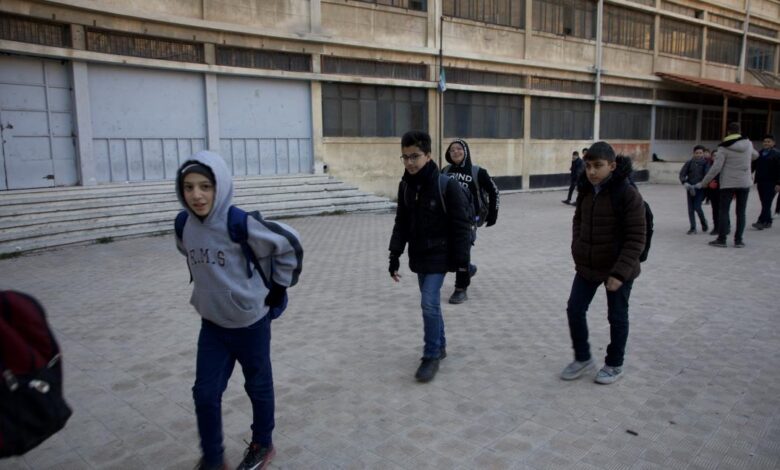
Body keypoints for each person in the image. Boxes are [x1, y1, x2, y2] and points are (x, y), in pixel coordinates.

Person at [175, 151, 303, 470]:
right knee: (205, 394)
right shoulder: (183, 225)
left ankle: (263, 444)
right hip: (212, 326)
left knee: (258, 386)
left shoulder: (240, 223)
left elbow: (289, 243)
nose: (196, 195)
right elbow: (189, 252)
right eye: (189, 187)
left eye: (205, 186)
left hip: (251, 324)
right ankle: (213, 459)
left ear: (220, 186)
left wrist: (279, 287)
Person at [388, 130, 472, 383]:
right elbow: (401, 223)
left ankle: (431, 354)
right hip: (418, 256)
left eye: (415, 156)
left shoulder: (445, 185)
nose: (409, 162)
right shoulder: (405, 186)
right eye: (405, 157)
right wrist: (394, 254)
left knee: (428, 302)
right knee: (431, 303)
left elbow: (461, 227)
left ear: (428, 155)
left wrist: (463, 266)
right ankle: (441, 345)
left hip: (440, 254)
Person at [560, 142, 646, 385]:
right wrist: (577, 247)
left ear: (612, 165)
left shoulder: (627, 194)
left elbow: (636, 237)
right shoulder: (586, 190)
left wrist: (619, 274)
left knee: (616, 316)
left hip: (618, 268)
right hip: (588, 264)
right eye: (588, 166)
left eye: (598, 166)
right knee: (575, 308)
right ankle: (583, 358)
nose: (592, 172)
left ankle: (614, 364)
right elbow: (578, 221)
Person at [442, 138, 500, 304]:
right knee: (449, 253)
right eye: (452, 149)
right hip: (447, 220)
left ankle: (460, 289)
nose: (455, 152)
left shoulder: (477, 172)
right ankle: (469, 268)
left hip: (468, 220)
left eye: (459, 148)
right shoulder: (445, 171)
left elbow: (494, 191)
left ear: (466, 151)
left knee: (462, 253)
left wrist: (493, 214)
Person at [697, 122, 759, 248]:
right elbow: (755, 155)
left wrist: (704, 182)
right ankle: (738, 240)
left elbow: (716, 168)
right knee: (741, 212)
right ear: (740, 131)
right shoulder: (748, 143)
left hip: (728, 183)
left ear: (728, 132)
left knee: (724, 211)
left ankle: (722, 239)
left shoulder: (724, 147)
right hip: (744, 182)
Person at [751, 134, 780, 230]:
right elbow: (753, 166)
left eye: (768, 141)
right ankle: (768, 221)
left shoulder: (777, 154)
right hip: (761, 181)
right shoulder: (760, 153)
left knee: (767, 201)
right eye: (765, 141)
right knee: (764, 202)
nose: (766, 143)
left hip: (772, 182)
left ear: (773, 143)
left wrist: (778, 183)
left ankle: (761, 221)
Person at [679, 145, 709, 234]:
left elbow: (707, 175)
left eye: (700, 153)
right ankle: (693, 227)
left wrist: (702, 183)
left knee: (697, 206)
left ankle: (703, 221)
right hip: (690, 188)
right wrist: (684, 182)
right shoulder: (689, 163)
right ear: (693, 153)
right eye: (697, 153)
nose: (698, 155)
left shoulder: (706, 163)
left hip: (700, 188)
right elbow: (682, 174)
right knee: (690, 208)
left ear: (703, 154)